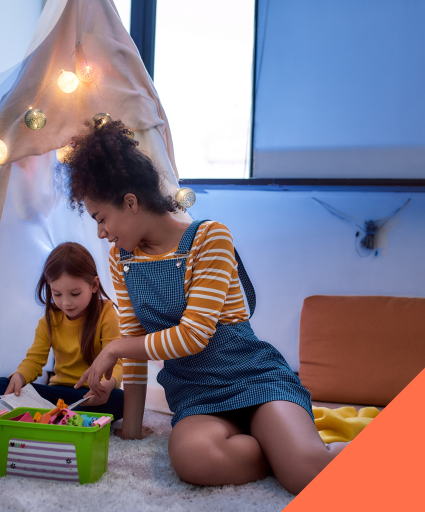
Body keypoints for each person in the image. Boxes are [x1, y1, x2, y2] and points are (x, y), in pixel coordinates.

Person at [65, 120, 348, 494]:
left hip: (255, 379)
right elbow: (135, 348)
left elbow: (192, 336)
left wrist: (114, 347)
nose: (100, 232)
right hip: (197, 396)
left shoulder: (210, 237)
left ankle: (298, 450)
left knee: (308, 474)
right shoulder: (122, 260)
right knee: (193, 459)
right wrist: (130, 430)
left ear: (130, 203)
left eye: (101, 219)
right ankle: (277, 449)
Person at [0, 242, 124, 420]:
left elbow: (116, 363)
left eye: (75, 293)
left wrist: (107, 385)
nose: (66, 303)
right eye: (57, 294)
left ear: (94, 285)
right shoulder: (49, 319)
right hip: (57, 393)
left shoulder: (106, 313)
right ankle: (66, 416)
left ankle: (52, 417)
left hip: (90, 394)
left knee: (120, 399)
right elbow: (34, 360)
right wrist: (19, 377)